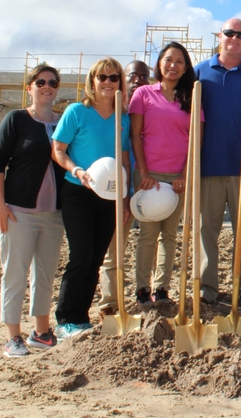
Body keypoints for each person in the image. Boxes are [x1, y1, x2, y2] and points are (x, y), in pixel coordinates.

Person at [0, 65, 66, 357]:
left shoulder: (63, 122)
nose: (47, 86)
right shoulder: (16, 119)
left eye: (53, 83)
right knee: (15, 273)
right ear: (30, 87)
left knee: (45, 274)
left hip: (53, 214)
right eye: (41, 82)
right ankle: (13, 336)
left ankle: (41, 332)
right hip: (18, 211)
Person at [51, 58, 131, 340]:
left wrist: (124, 197)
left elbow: (124, 160)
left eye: (114, 77)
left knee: (96, 258)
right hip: (79, 192)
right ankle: (65, 318)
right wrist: (76, 170)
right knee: (81, 255)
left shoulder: (124, 118)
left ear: (121, 82)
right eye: (102, 77)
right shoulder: (77, 112)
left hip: (109, 196)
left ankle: (81, 318)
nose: (108, 82)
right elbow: (58, 150)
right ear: (93, 81)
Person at [195, 18, 241, 309]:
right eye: (229, 33)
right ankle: (206, 288)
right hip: (207, 166)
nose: (234, 38)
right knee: (204, 230)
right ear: (219, 36)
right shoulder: (199, 72)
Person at [129, 42, 194, 304]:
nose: (173, 65)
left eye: (179, 61)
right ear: (159, 63)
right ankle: (142, 288)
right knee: (147, 234)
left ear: (186, 67)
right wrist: (144, 172)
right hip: (148, 176)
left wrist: (183, 175)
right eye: (168, 60)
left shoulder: (191, 96)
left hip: (177, 177)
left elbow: (194, 139)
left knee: (169, 235)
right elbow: (135, 135)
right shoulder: (143, 94)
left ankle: (162, 288)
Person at [98, 59, 149, 318]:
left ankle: (145, 293)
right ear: (122, 79)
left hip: (141, 182)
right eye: (132, 75)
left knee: (147, 240)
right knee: (114, 247)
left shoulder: (146, 109)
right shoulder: (111, 110)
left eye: (143, 75)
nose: (138, 79)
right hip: (111, 186)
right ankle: (110, 303)